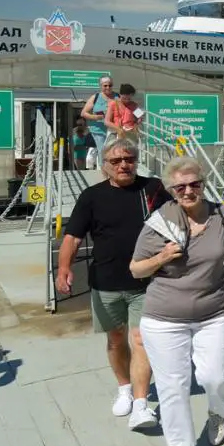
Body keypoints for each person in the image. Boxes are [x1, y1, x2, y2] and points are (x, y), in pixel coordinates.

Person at [130, 157, 224, 446]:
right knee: (173, 385)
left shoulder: (220, 214)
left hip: (214, 312)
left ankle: (217, 411)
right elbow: (136, 269)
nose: (189, 190)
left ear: (203, 183)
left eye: (195, 184)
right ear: (172, 190)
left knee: (216, 374)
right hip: (165, 317)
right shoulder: (159, 222)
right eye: (181, 186)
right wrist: (160, 257)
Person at [56, 140, 171, 430]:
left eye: (129, 159)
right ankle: (124, 388)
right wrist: (64, 267)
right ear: (105, 164)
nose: (123, 165)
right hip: (106, 282)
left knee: (141, 339)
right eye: (116, 160)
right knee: (116, 339)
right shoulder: (92, 196)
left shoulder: (154, 189)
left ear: (136, 160)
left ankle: (141, 404)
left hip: (147, 282)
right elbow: (72, 237)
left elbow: (178, 218)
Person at [81, 76, 118, 167]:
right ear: (101, 86)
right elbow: (83, 113)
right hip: (98, 130)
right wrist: (96, 117)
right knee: (103, 150)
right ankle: (105, 171)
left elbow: (128, 107)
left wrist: (138, 115)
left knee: (112, 150)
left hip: (113, 129)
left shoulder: (117, 97)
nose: (108, 87)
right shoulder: (96, 97)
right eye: (105, 85)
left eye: (110, 85)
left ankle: (110, 169)